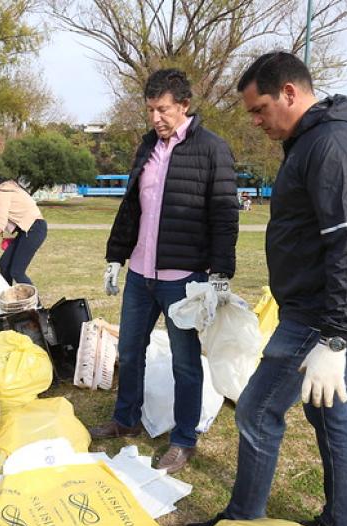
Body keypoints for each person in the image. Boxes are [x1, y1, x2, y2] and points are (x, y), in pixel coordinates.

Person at [184, 52, 347, 526]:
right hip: (319, 309)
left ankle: (242, 520)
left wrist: (335, 338)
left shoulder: (332, 143)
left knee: (255, 411)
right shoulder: (313, 140)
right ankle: (345, 524)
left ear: (290, 93)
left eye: (259, 109)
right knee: (329, 412)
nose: (256, 122)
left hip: (321, 316)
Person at [89, 68, 239, 474]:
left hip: (183, 278)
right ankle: (126, 419)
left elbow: (225, 215)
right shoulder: (146, 147)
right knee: (129, 350)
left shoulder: (212, 149)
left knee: (185, 362)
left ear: (184, 106)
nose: (156, 118)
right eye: (150, 110)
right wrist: (116, 256)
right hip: (141, 274)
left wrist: (220, 274)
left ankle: (184, 439)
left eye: (163, 109)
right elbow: (132, 207)